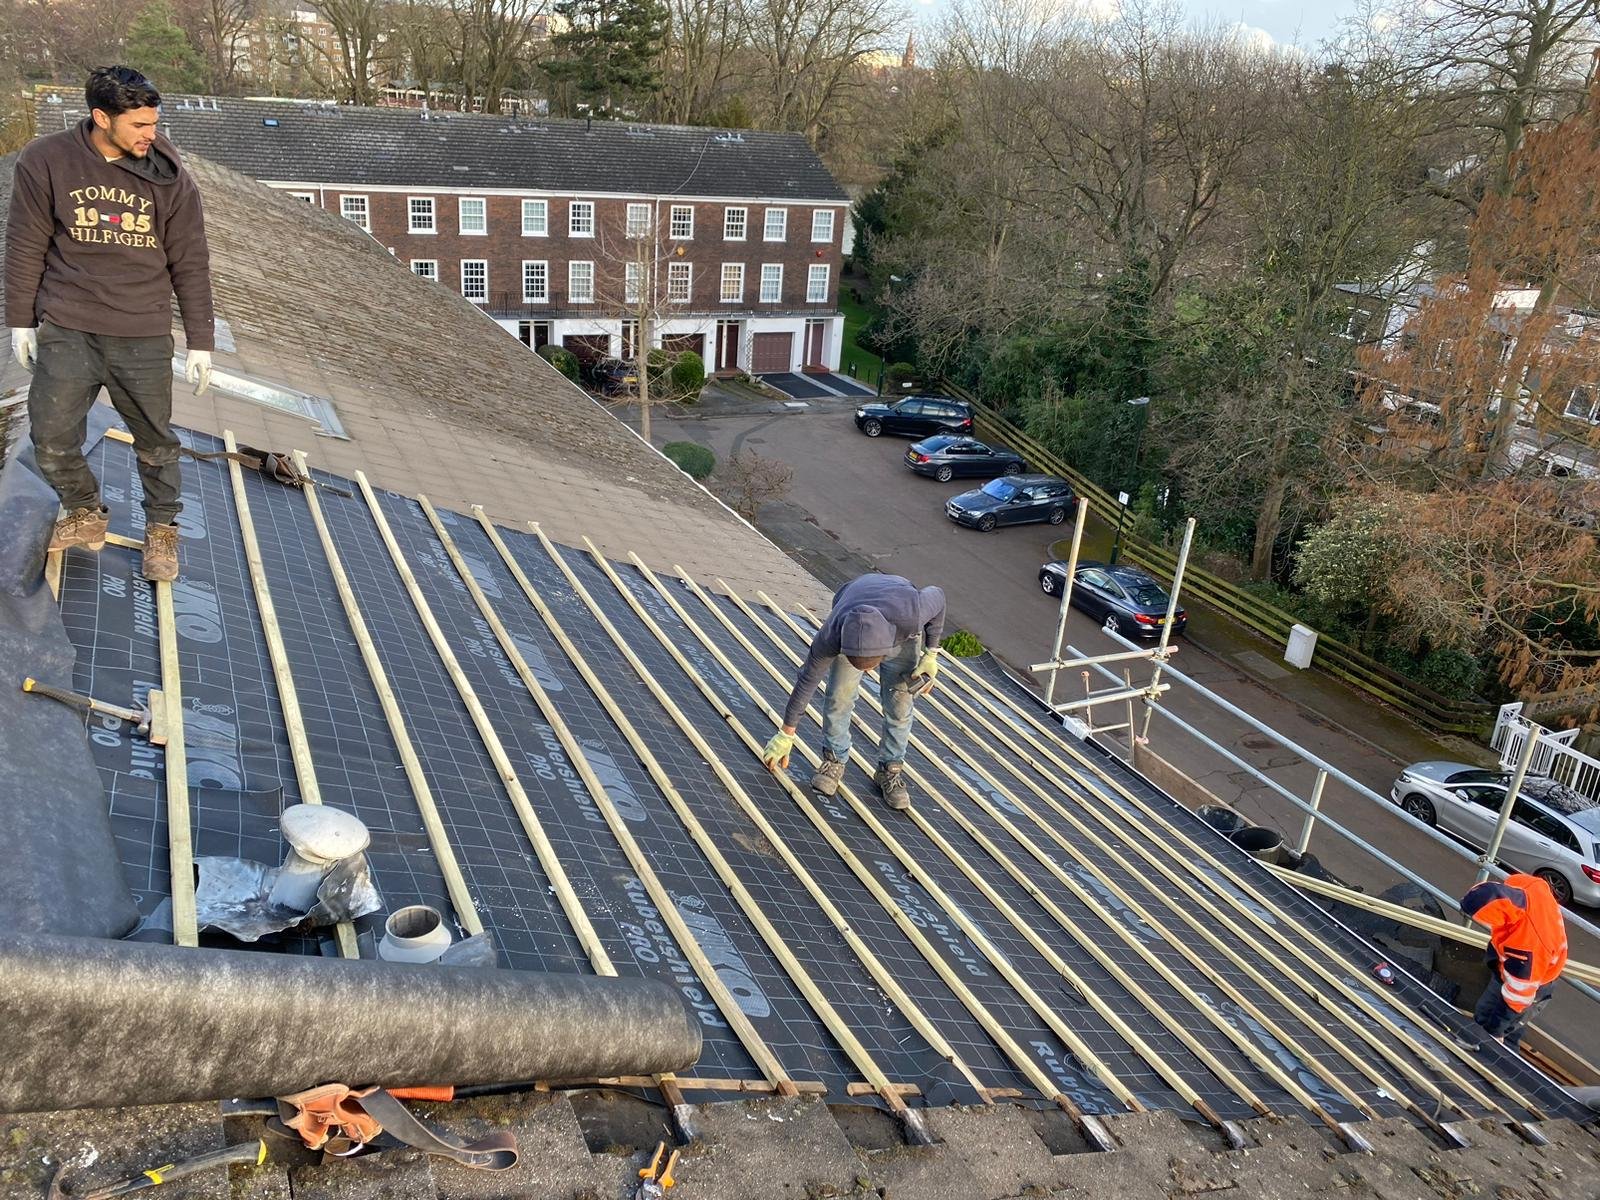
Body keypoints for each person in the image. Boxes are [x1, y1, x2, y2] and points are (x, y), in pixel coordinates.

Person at [5, 65, 214, 583]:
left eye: (154, 122)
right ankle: (84, 512)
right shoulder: (46, 161)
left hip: (140, 332)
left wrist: (201, 341)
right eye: (140, 125)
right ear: (101, 117)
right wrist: (20, 321)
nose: (151, 134)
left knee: (156, 443)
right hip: (69, 326)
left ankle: (161, 532)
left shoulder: (169, 176)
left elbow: (189, 260)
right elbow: (26, 243)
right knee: (50, 437)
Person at [761, 573, 945, 811]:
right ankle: (834, 759)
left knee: (899, 704)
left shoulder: (912, 614)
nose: (868, 673)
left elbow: (938, 595)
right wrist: (786, 733)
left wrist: (931, 653)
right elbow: (807, 680)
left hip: (899, 622)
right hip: (852, 601)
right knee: (839, 696)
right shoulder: (833, 635)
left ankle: (889, 770)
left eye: (870, 667)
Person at [1459, 873, 1568, 1049]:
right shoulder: (1526, 885)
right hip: (1515, 968)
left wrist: (1496, 1032)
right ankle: (1477, 1040)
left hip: (1533, 983)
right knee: (1484, 1011)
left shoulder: (1526, 948)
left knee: (1503, 1031)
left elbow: (1517, 998)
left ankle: (1497, 1063)